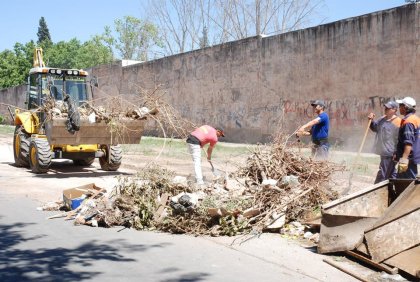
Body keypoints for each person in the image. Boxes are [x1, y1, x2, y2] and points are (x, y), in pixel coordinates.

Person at [367, 101, 401, 183]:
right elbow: (375, 128)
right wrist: (371, 121)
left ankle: (376, 189)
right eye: (385, 107)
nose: (385, 109)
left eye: (388, 108)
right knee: (391, 172)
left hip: (390, 152)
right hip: (383, 150)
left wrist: (397, 152)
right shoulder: (382, 119)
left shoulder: (398, 122)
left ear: (394, 110)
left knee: (383, 173)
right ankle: (395, 189)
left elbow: (400, 139)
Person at [395, 97, 420, 179]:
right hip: (413, 157)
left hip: (408, 159)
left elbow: (408, 143)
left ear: (405, 107)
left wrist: (404, 160)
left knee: (406, 183)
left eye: (400, 105)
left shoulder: (408, 122)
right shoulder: (415, 119)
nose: (399, 108)